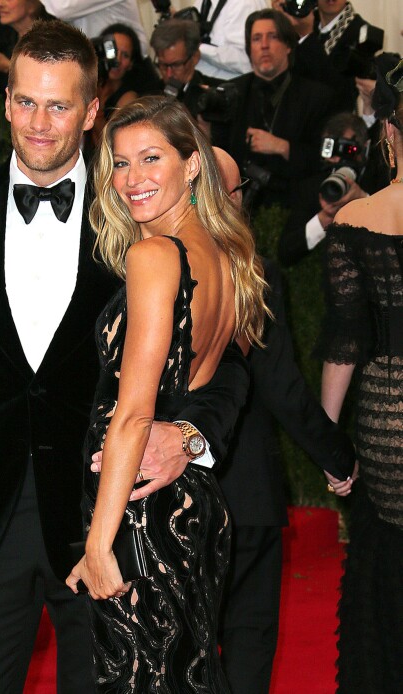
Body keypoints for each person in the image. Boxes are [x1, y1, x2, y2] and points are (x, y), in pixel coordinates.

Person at [0, 20, 251, 693]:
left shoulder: (137, 217)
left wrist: (191, 433)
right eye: (26, 100)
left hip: (107, 525)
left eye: (59, 105)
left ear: (90, 113)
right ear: (5, 100)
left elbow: (226, 360)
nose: (38, 122)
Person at [65, 96, 268, 691]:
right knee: (187, 672)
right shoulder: (227, 254)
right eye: (120, 164)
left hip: (141, 514)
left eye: (151, 158)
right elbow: (221, 371)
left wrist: (99, 544)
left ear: (192, 164)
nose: (132, 180)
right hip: (189, 505)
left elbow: (133, 414)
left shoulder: (155, 255)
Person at [213, 148, 357, 694]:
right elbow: (281, 387)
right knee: (247, 636)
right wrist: (337, 456)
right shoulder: (251, 271)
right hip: (243, 490)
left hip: (161, 494)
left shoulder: (134, 260)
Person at [317, 58, 403, 693]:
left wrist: (327, 442)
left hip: (388, 414)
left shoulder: (358, 219)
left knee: (384, 568)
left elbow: (346, 341)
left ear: (390, 135)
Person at [212, 8, 334, 210]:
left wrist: (283, 147)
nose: (265, 46)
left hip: (297, 208)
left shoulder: (317, 97)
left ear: (288, 45)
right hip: (240, 207)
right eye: (257, 39)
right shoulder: (231, 93)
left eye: (273, 37)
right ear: (249, 49)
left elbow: (325, 159)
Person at [278, 111, 391, 266]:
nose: (339, 158)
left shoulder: (384, 179)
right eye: (331, 149)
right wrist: (324, 218)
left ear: (365, 148)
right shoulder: (315, 187)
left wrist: (364, 201)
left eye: (347, 149)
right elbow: (285, 253)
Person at [150, 18, 220, 125]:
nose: (169, 74)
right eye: (163, 65)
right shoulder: (149, 96)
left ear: (195, 57)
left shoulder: (214, 96)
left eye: (176, 65)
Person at [90, 23, 141, 147]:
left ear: (131, 64)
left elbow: (111, 145)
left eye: (125, 55)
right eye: (113, 51)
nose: (117, 60)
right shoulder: (89, 83)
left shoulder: (129, 98)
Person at [195, 0, 268, 81]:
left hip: (232, 88)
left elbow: (245, 61)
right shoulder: (202, 1)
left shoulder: (243, 3)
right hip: (202, 83)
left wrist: (198, 47)